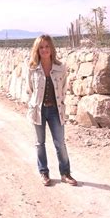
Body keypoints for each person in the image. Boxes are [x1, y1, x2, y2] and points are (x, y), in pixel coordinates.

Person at [26, 34, 77, 187]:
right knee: (39, 143)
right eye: (41, 47)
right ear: (37, 49)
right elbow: (29, 89)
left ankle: (65, 173)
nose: (44, 49)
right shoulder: (32, 68)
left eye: (47, 46)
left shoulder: (60, 68)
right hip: (38, 110)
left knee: (60, 143)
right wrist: (33, 104)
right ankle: (44, 173)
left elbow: (63, 89)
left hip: (55, 110)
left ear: (51, 48)